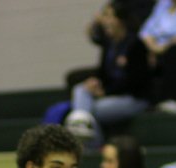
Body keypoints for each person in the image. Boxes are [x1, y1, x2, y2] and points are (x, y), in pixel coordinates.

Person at [64, 1, 150, 145]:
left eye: (109, 16)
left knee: (89, 112)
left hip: (134, 99)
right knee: (80, 89)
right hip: (111, 95)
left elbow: (136, 82)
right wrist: (95, 83)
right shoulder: (109, 45)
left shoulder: (136, 45)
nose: (105, 21)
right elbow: (103, 73)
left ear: (121, 20)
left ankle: (94, 146)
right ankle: (83, 123)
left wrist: (106, 92)